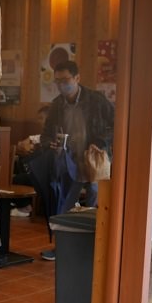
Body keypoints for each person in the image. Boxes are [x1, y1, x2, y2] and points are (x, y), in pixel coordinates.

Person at [29, 55, 114, 260]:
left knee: (94, 205)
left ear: (77, 78)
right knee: (64, 207)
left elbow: (115, 124)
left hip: (93, 159)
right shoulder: (57, 105)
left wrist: (100, 142)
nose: (61, 85)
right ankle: (61, 249)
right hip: (69, 162)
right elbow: (47, 133)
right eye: (57, 81)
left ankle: (91, 250)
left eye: (65, 80)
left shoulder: (96, 100)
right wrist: (50, 143)